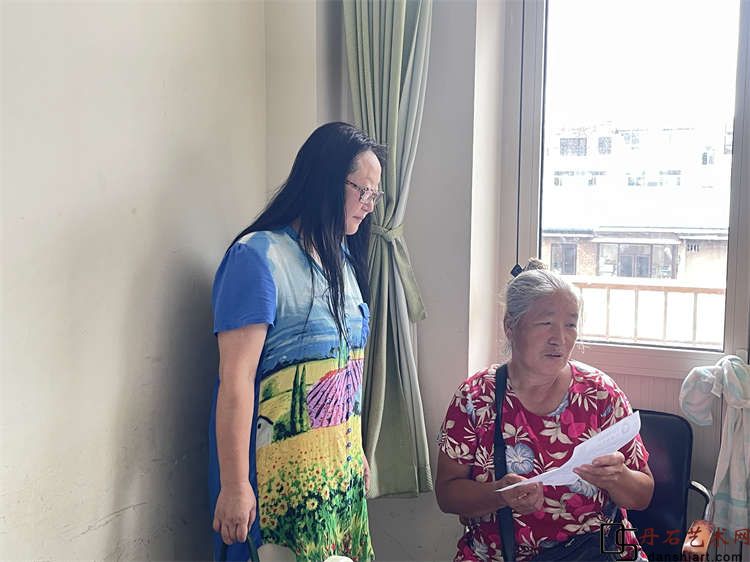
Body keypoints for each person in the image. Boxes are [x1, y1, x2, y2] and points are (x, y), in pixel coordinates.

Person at [208, 122, 385, 562]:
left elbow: (347, 366)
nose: (369, 205)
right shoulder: (257, 257)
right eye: (363, 190)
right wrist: (235, 485)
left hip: (336, 474)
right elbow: (236, 380)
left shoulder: (344, 261)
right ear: (326, 180)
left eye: (375, 194)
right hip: (273, 481)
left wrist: (355, 449)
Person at [435, 260, 654, 561]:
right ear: (510, 326)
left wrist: (618, 477)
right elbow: (447, 495)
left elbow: (643, 495)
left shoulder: (600, 394)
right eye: (545, 323)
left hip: (596, 551)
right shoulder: (476, 397)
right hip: (500, 554)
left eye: (570, 325)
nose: (559, 338)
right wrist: (499, 494)